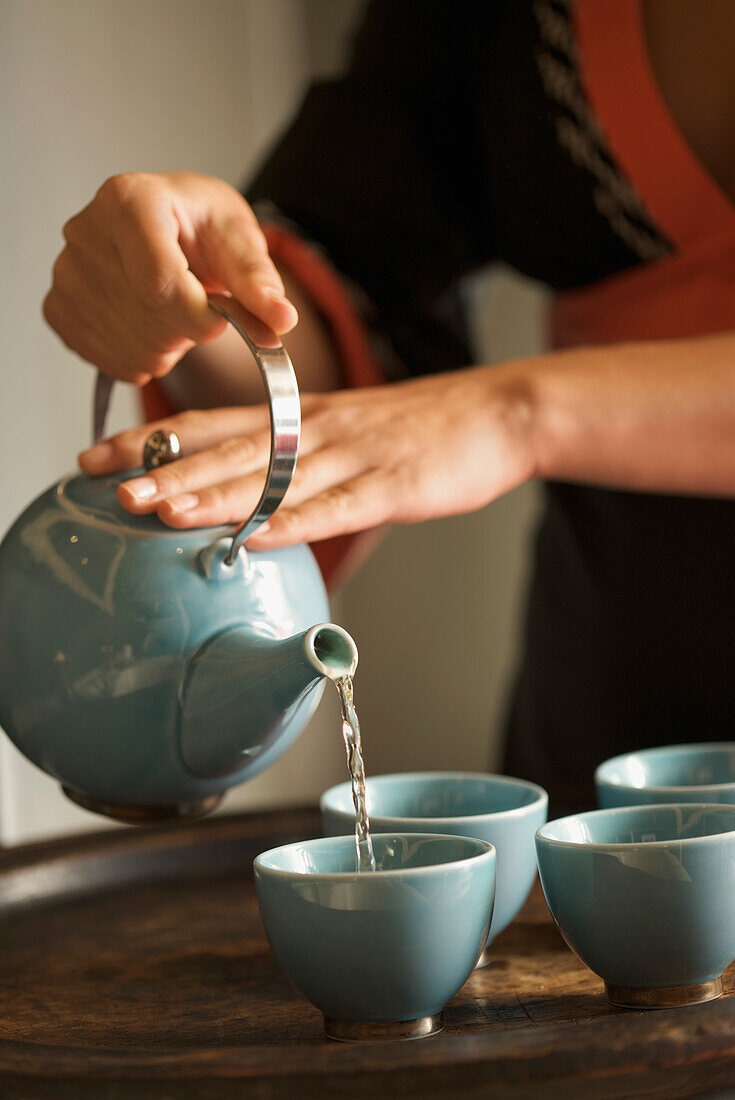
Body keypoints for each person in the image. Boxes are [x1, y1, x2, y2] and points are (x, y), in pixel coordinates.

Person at [42, 0, 735, 810]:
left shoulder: (513, 412)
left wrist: (516, 415)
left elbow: (489, 413)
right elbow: (350, 280)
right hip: (611, 688)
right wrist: (197, 305)